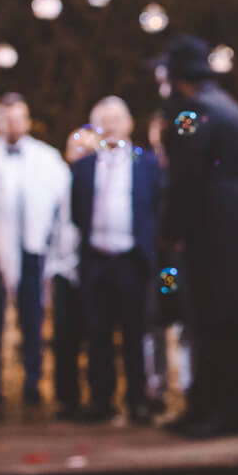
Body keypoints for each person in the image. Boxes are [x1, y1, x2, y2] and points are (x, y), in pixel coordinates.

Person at [159, 35, 238, 438]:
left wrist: (171, 228)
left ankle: (216, 410)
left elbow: (185, 175)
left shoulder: (193, 110)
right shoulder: (230, 107)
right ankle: (224, 406)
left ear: (177, 77)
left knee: (207, 320)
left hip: (208, 224)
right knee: (229, 321)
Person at [0, 93, 71, 418]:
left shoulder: (47, 158)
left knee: (33, 320)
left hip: (32, 249)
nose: (14, 124)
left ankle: (33, 384)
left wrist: (60, 252)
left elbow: (62, 210)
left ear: (28, 120)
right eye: (7, 119)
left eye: (20, 118)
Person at [69, 97, 163, 424]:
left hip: (132, 259)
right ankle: (101, 400)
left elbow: (157, 209)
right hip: (95, 258)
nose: (110, 126)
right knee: (97, 334)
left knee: (136, 333)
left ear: (129, 124)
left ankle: (137, 400)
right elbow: (76, 213)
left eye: (116, 119)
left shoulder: (148, 164)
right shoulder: (82, 168)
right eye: (103, 120)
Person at [47, 124, 97, 419]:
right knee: (65, 338)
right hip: (62, 269)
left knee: (96, 336)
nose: (83, 155)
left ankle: (97, 398)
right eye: (78, 149)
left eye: (89, 150)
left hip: (93, 268)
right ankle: (67, 399)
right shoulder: (57, 183)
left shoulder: (102, 183)